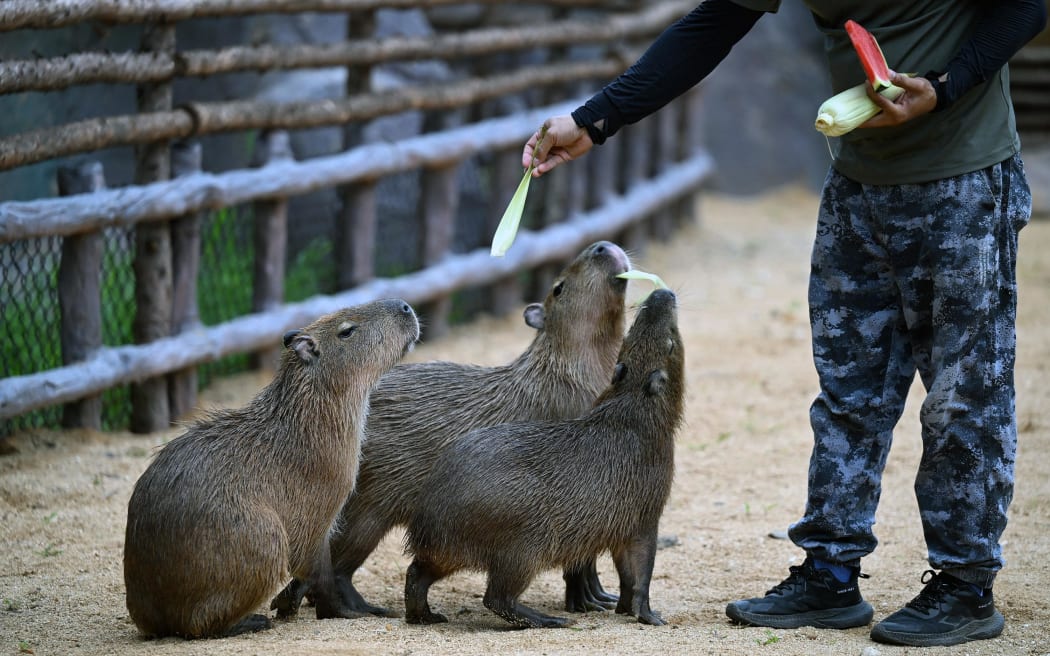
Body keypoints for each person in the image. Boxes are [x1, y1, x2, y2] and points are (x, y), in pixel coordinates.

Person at [522, 0, 1047, 648]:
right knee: (848, 394)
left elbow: (1025, 5)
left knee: (964, 398)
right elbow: (716, 22)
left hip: (962, 180)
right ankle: (829, 572)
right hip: (859, 187)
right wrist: (594, 119)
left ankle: (965, 583)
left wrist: (945, 87)